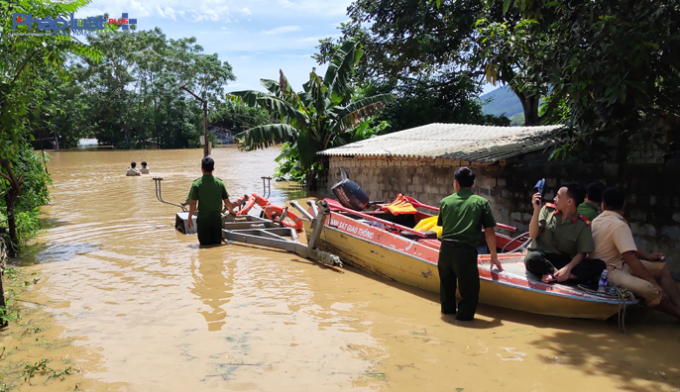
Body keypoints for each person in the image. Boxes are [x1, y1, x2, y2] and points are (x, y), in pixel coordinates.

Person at [590, 187, 680, 320]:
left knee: (661, 268)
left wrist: (647, 257)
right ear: (624, 205)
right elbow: (631, 258)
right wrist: (655, 284)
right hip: (609, 271)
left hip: (617, 265)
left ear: (603, 206)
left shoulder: (596, 221)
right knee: (652, 290)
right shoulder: (620, 225)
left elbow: (628, 250)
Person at [437, 167, 503, 321]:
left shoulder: (445, 202)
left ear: (456, 183)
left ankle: (447, 316)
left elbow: (442, 225)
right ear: (473, 183)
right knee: (470, 291)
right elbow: (489, 231)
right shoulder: (481, 203)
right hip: (465, 253)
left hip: (445, 252)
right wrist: (494, 255)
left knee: (446, 288)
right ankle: (464, 321)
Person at [525, 182, 605, 284]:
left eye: (558, 196)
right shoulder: (547, 210)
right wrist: (536, 210)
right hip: (542, 258)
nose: (554, 199)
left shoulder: (583, 225)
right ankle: (556, 274)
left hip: (563, 261)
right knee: (532, 258)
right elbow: (532, 234)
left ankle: (558, 276)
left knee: (598, 265)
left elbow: (582, 254)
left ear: (569, 201)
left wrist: (567, 268)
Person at [186, 157, 235, 246]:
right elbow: (227, 202)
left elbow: (193, 203)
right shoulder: (220, 183)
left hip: (203, 220)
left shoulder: (196, 184)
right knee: (217, 245)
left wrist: (189, 218)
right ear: (213, 169)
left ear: (202, 168)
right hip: (216, 220)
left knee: (204, 246)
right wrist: (232, 211)